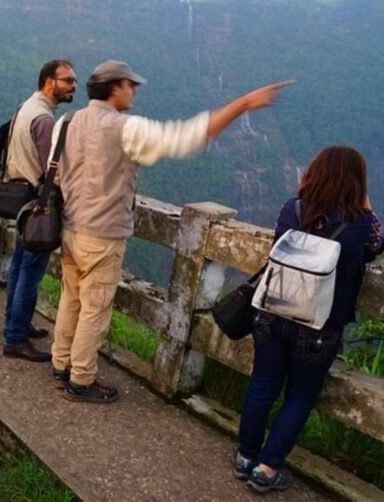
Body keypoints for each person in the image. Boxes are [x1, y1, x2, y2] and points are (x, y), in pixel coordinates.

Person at [50, 60, 291, 403]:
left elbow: (55, 172)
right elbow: (186, 138)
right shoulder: (125, 128)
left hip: (70, 228)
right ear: (114, 87)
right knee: (95, 308)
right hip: (102, 234)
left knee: (71, 298)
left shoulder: (67, 121)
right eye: (130, 85)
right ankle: (81, 379)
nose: (134, 90)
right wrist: (244, 104)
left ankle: (61, 364)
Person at [233, 146, 384, 493]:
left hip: (271, 314)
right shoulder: (364, 225)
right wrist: (363, 200)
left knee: (263, 385)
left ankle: (245, 458)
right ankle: (267, 470)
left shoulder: (292, 208)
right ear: (357, 183)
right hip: (318, 327)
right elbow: (378, 247)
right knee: (299, 398)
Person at [2, 60, 77, 362]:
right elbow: (53, 168)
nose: (73, 86)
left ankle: (15, 325)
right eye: (67, 80)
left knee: (20, 267)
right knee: (30, 274)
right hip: (37, 203)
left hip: (20, 197)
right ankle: (15, 338)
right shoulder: (45, 120)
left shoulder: (26, 107)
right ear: (50, 81)